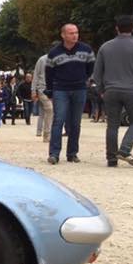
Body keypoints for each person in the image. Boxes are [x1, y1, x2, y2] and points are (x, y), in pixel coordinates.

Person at [93, 14, 133, 167]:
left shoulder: (105, 47)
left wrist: (101, 89)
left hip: (111, 90)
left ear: (117, 28)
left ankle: (111, 158)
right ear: (132, 28)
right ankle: (125, 150)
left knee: (112, 125)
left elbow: (97, 72)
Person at [45, 23, 95, 164]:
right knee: (58, 120)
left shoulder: (86, 50)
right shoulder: (54, 53)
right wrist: (50, 91)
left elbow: (91, 67)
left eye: (76, 32)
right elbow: (49, 73)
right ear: (63, 35)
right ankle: (54, 153)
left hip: (79, 88)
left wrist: (83, 79)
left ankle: (72, 153)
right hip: (60, 89)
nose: (75, 35)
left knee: (75, 122)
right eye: (71, 33)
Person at [32, 49, 53, 142]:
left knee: (52, 112)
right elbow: (36, 75)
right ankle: (46, 134)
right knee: (50, 109)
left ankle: (50, 133)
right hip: (42, 89)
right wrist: (33, 90)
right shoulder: (42, 60)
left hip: (55, 89)